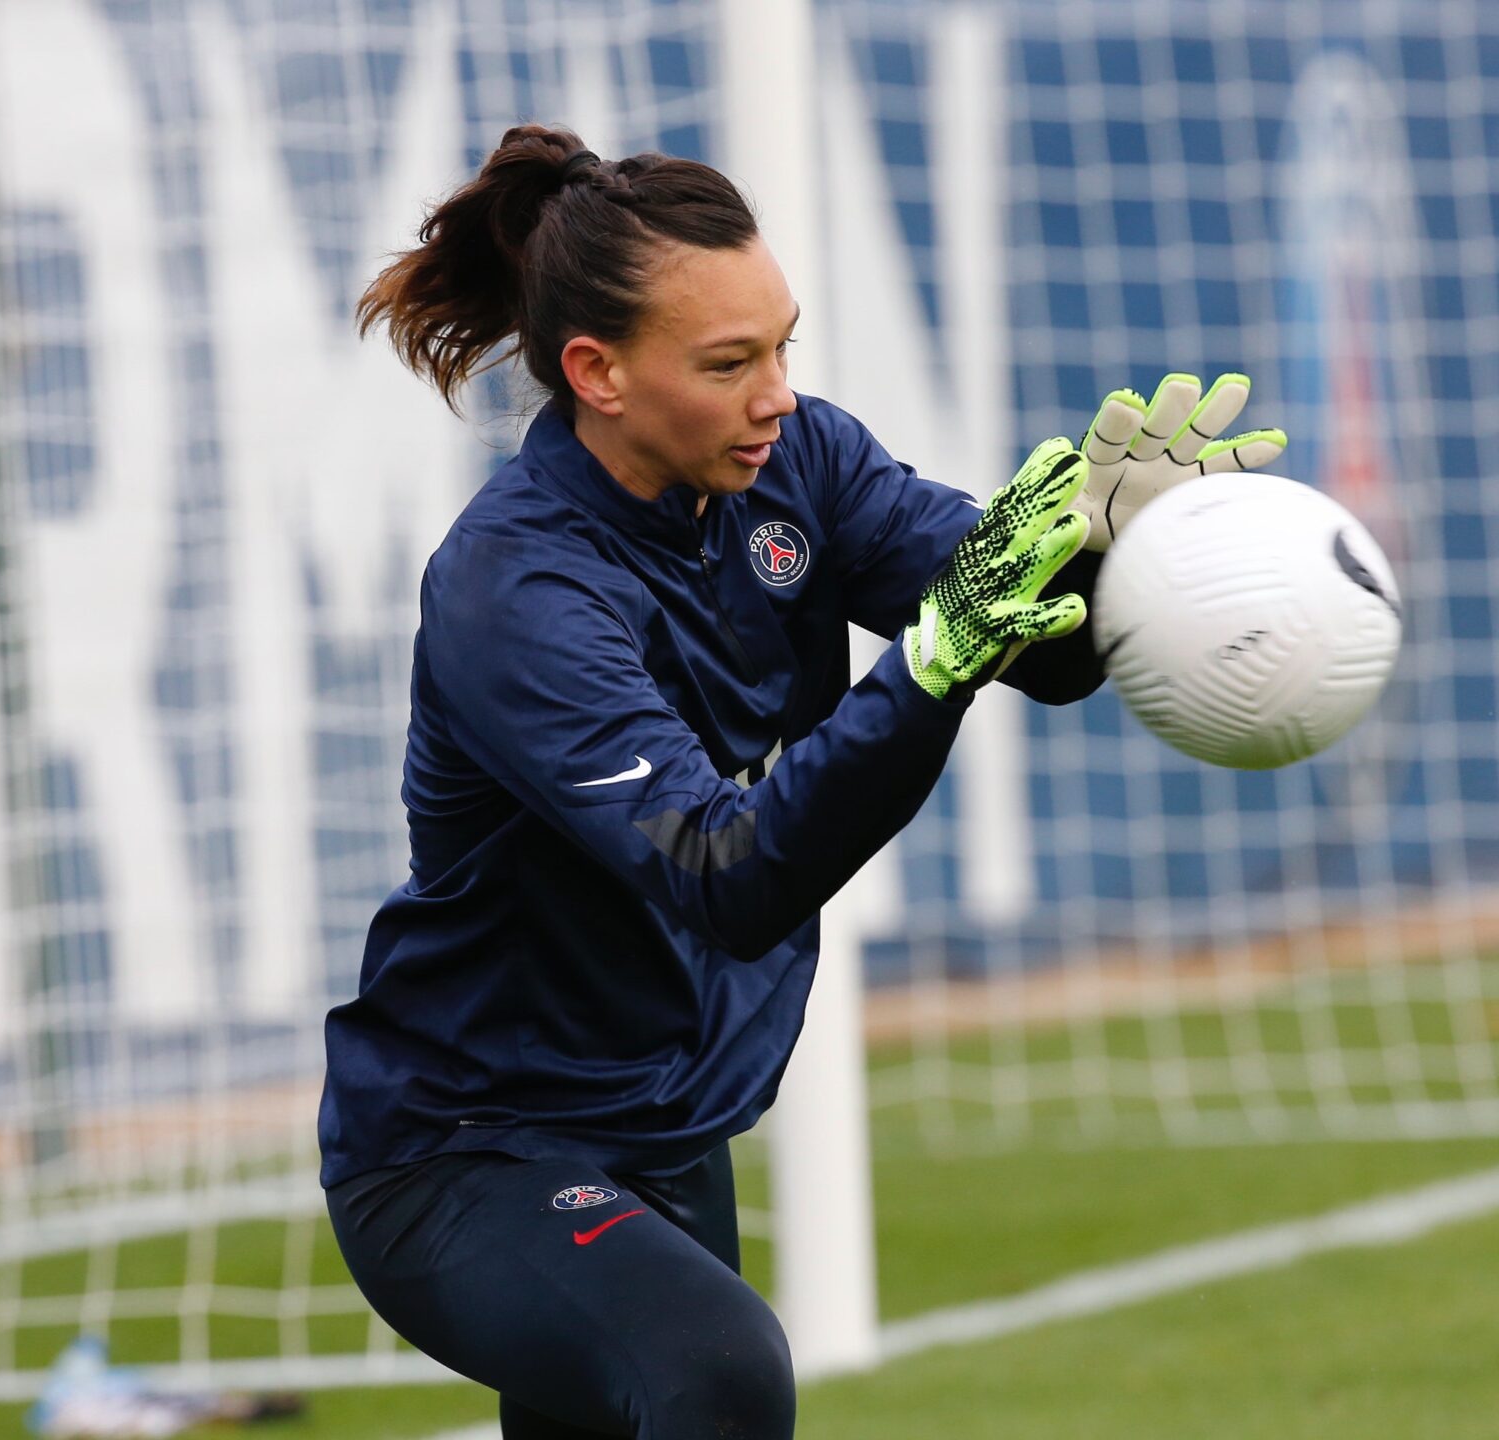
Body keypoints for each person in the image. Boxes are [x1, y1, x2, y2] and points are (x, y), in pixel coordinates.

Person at [318, 124, 1285, 1439]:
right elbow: (728, 874)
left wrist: (1122, 552)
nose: (777, 391)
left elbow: (1040, 654)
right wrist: (937, 660)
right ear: (597, 374)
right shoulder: (517, 585)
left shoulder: (803, 465)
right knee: (713, 1372)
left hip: (666, 1123)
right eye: (730, 364)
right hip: (467, 1149)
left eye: (784, 344)